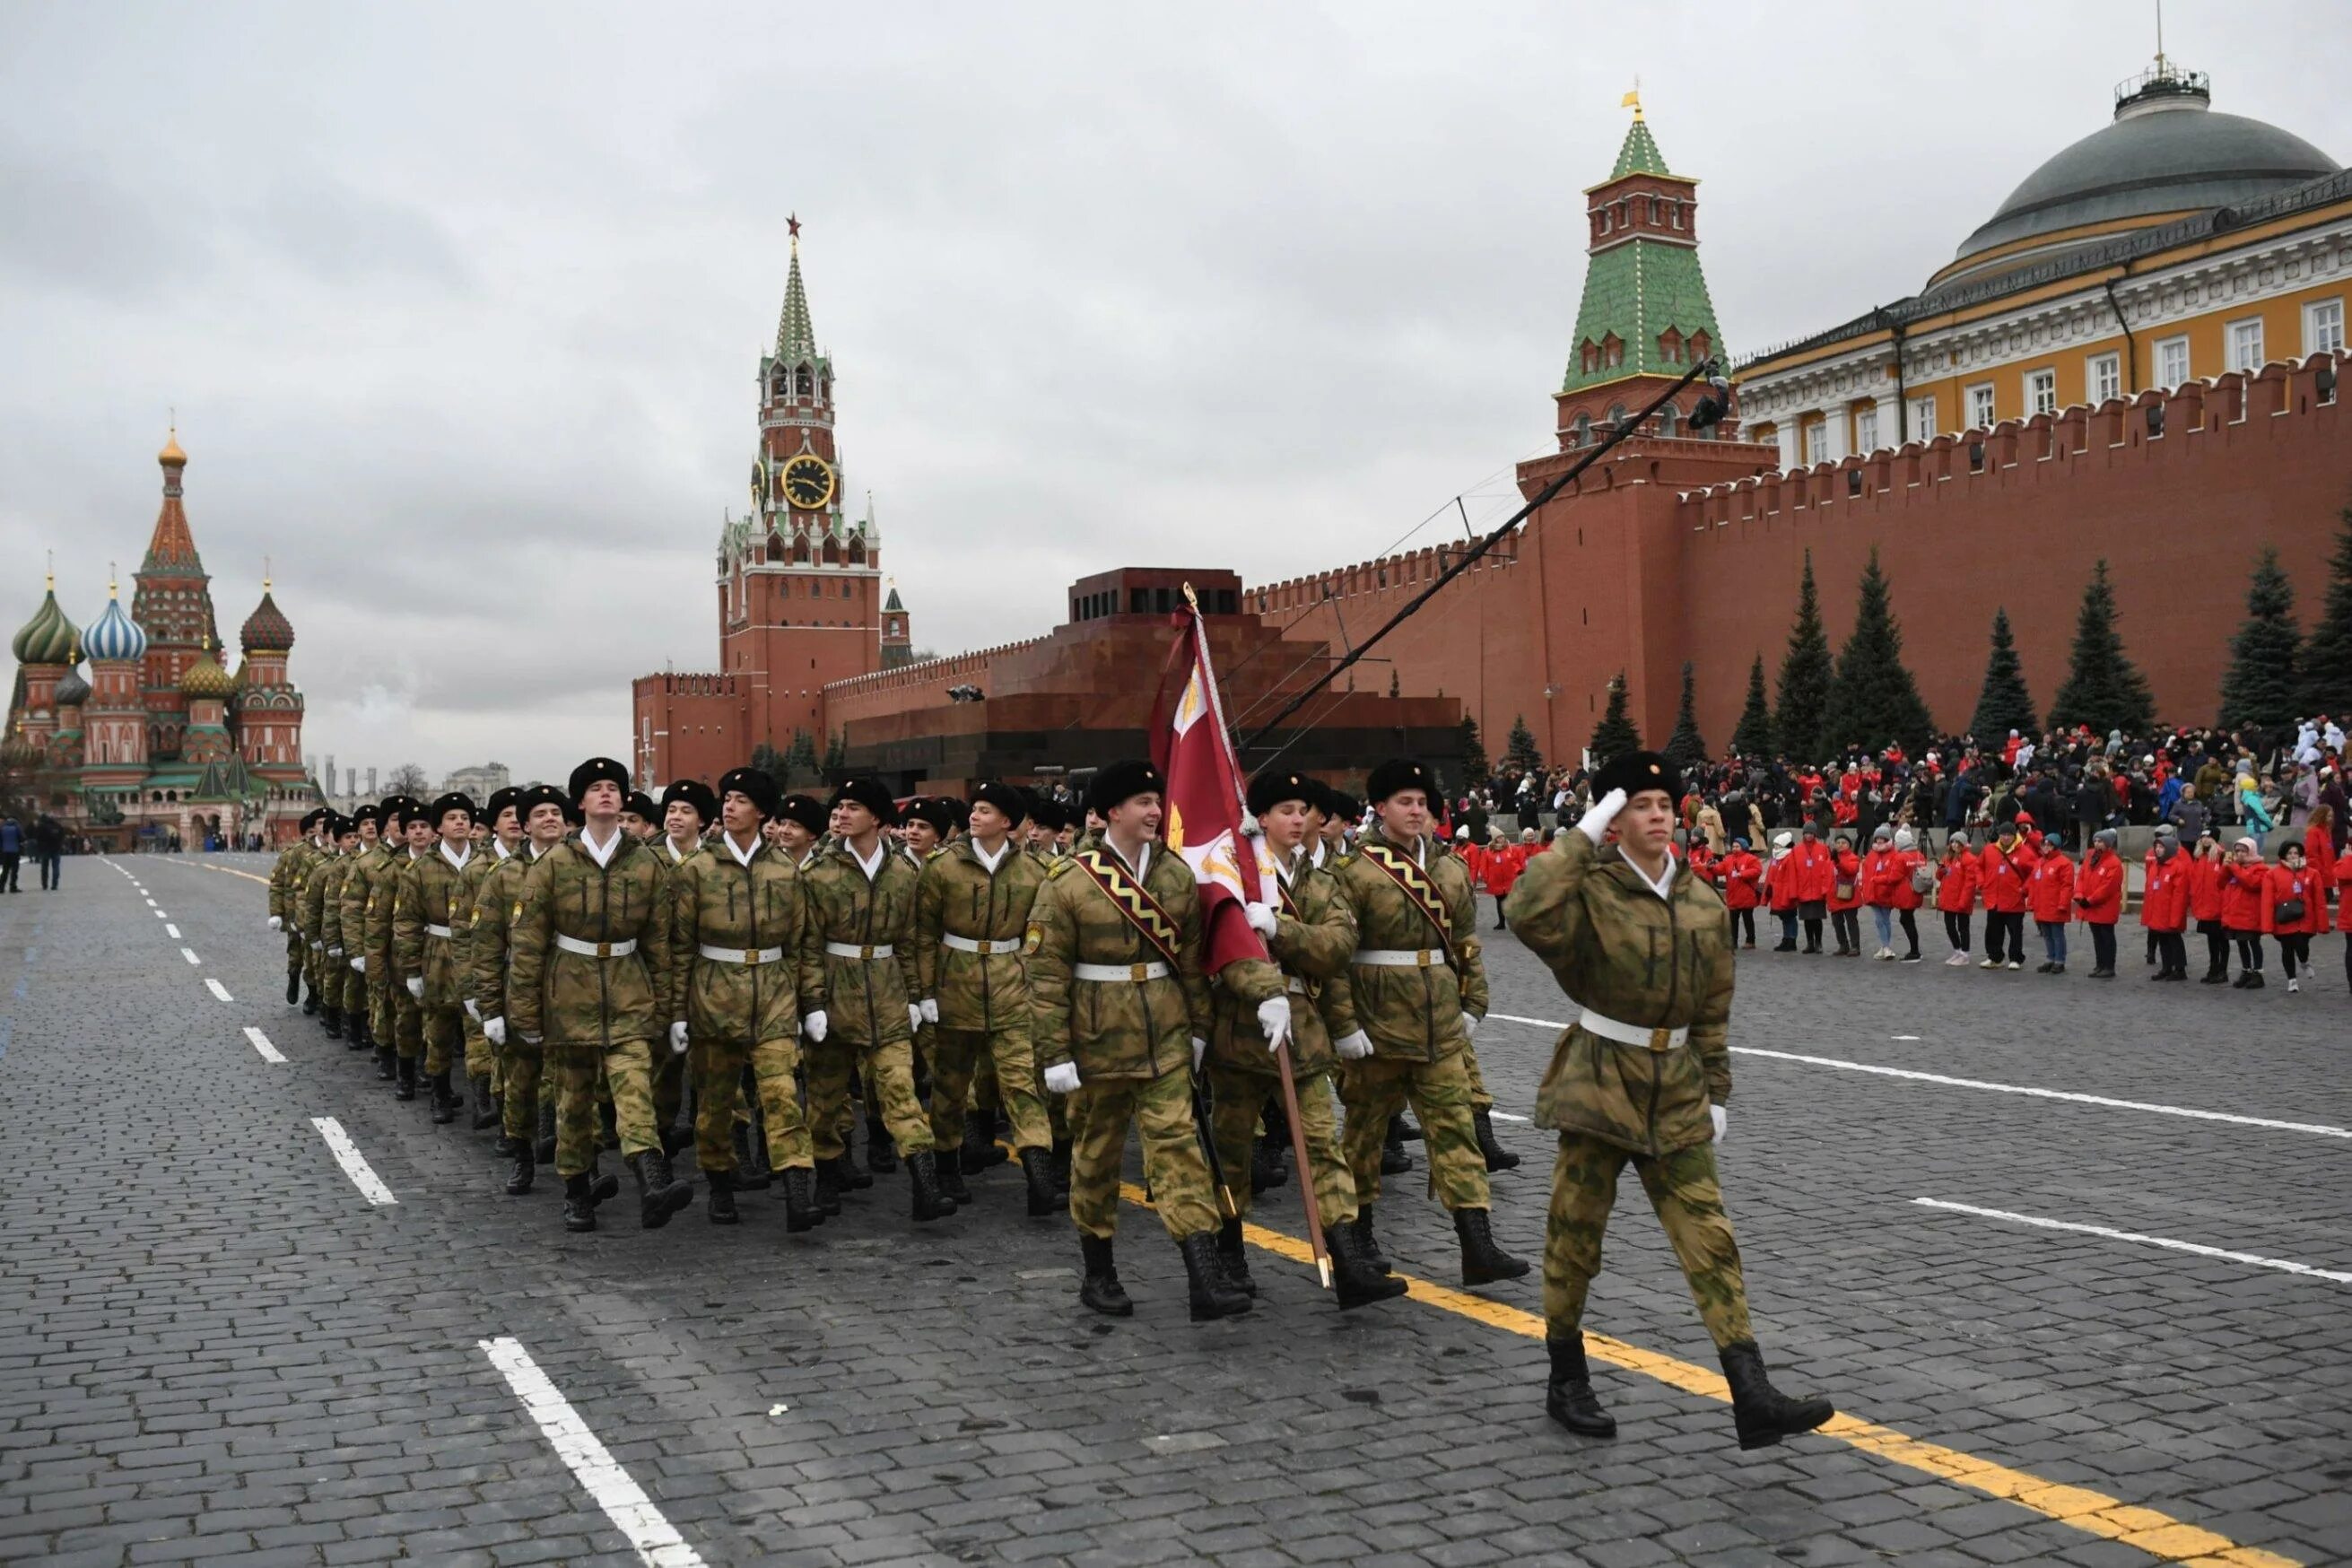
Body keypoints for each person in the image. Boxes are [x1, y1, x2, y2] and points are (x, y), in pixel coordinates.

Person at [1506, 750, 1834, 1450]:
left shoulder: (1700, 900)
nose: (1658, 816)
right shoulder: (1589, 888)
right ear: (1614, 819)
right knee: (1574, 1238)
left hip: (1678, 1085)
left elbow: (1714, 1006)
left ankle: (1751, 1392)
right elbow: (1525, 908)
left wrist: (1716, 1089)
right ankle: (1566, 1377)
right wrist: (1581, 835)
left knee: (1709, 1239)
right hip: (1599, 1081)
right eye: (1640, 805)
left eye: (1664, 805)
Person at [1027, 759, 1276, 1320]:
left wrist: (1196, 1029)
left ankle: (1204, 1280)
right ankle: (1098, 1274)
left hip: (1164, 1036)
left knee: (1180, 1155)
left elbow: (1190, 962)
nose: (1155, 812)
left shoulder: (1174, 876)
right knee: (1096, 1159)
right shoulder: (1068, 881)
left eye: (1157, 802)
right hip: (1096, 1044)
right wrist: (1055, 1054)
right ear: (1111, 812)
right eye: (1142, 803)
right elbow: (1044, 977)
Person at [1204, 768, 1405, 1311]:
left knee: (1321, 1146)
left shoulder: (1318, 881)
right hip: (1242, 1032)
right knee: (1232, 1151)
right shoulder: (1235, 874)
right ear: (1261, 818)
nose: (1298, 820)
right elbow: (1221, 948)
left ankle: (1347, 1262)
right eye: (1285, 811)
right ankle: (1228, 1254)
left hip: (1305, 1031)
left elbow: (1337, 948)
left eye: (1303, 811)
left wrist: (1280, 928)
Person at [1326, 759, 1527, 1287]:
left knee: (1456, 1131)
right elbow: (1338, 959)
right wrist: (1345, 1027)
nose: (1416, 811)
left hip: (1440, 1023)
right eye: (1404, 802)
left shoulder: (1451, 869)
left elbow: (1465, 944)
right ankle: (1360, 1240)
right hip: (1377, 1022)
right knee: (1364, 1139)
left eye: (1422, 802)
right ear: (1380, 809)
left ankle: (1477, 1246)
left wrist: (1473, 1003)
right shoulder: (1352, 872)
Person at [508, 757, 694, 1233]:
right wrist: (525, 1014)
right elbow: (528, 944)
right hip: (569, 992)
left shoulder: (646, 862)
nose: (607, 794)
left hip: (630, 989)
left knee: (635, 1090)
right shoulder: (553, 864)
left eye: (614, 787)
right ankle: (576, 1192)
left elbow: (660, 943)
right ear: (582, 802)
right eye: (596, 788)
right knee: (574, 1100)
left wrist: (671, 1011)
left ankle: (653, 1183)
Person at [669, 766, 820, 1229]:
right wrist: (677, 1011)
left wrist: (808, 1003)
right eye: (727, 798)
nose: (729, 807)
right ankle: (719, 1183)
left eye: (739, 799)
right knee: (716, 1103)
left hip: (773, 994)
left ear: (760, 811)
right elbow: (678, 946)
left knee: (781, 1096)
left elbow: (801, 945)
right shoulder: (698, 868)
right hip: (714, 995)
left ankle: (798, 1191)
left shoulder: (785, 870)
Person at [797, 775, 952, 1220]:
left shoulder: (904, 873)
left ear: (878, 819)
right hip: (834, 990)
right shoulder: (818, 872)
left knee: (901, 1091)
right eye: (839, 806)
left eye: (853, 807)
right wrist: (812, 1004)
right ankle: (827, 1178)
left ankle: (925, 1187)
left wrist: (916, 996)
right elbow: (807, 945)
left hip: (886, 993)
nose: (842, 814)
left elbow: (909, 940)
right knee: (825, 1098)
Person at [913, 779, 1059, 1216]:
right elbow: (922, 934)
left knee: (1021, 1083)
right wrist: (924, 992)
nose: (974, 817)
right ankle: (946, 1167)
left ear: (1007, 822)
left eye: (984, 810)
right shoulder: (942, 867)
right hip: (954, 987)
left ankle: (1039, 1174)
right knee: (951, 1086)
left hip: (1012, 987)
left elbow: (1044, 936)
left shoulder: (1035, 872)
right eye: (973, 809)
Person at [468, 783, 574, 1196]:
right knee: (520, 1081)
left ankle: (573, 1164)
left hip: (571, 987)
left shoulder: (580, 869)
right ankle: (521, 1154)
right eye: (540, 814)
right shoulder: (503, 876)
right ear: (525, 826)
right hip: (520, 988)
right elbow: (487, 943)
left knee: (571, 1080)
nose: (550, 820)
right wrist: (490, 1007)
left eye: (556, 813)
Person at [393, 793, 481, 1124]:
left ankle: (484, 1099)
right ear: (440, 828)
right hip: (438, 955)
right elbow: (407, 923)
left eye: (464, 817)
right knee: (440, 1028)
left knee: (478, 1027)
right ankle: (440, 1092)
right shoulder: (420, 869)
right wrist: (412, 970)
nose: (460, 822)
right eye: (452, 818)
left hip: (475, 953)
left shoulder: (484, 864)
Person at [2266, 841, 2327, 994]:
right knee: (2287, 949)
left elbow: (2319, 900)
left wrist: (2323, 924)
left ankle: (2304, 961)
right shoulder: (2272, 874)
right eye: (2289, 853)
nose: (2293, 856)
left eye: (2296, 853)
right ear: (2284, 855)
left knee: (2302, 946)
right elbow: (2267, 901)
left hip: (2305, 918)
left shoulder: (2312, 873)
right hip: (2284, 917)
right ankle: (2291, 979)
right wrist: (2267, 925)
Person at [1978, 820, 2034, 971]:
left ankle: (2016, 958)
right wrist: (1982, 883)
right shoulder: (1989, 850)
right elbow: (1979, 867)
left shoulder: (2025, 852)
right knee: (1993, 930)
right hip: (1994, 898)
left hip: (2014, 899)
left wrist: (2024, 889)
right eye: (2003, 834)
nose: (2006, 838)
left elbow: (2034, 873)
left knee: (2015, 931)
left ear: (2014, 835)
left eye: (2009, 835)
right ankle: (1994, 957)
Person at [2140, 827, 2192, 981]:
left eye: (2161, 847)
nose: (2157, 850)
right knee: (2163, 940)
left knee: (2174, 940)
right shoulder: (2156, 866)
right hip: (2159, 911)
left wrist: (2175, 918)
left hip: (2170, 912)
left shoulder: (2178, 867)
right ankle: (2166, 967)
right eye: (2156, 847)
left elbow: (2180, 896)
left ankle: (2180, 968)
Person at [2221, 837, 2269, 989]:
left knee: (2254, 943)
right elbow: (2220, 883)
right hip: (2236, 914)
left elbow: (2251, 883)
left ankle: (2258, 972)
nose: (2240, 854)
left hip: (2250, 914)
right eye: (2238, 851)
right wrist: (2225, 867)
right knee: (2241, 943)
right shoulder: (2236, 867)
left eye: (2243, 851)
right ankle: (2246, 970)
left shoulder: (2261, 868)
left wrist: (2235, 867)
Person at [2075, 829, 2124, 978]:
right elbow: (2081, 877)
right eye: (2095, 841)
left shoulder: (2114, 863)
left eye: (2100, 841)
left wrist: (2090, 900)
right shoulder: (2090, 858)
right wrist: (2079, 895)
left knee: (2106, 936)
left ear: (2108, 844)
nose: (2097, 843)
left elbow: (2107, 887)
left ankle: (2109, 966)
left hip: (2104, 906)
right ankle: (2100, 964)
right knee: (2097, 937)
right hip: (2090, 905)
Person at [2190, 832, 2232, 983]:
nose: (2205, 839)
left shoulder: (2222, 856)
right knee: (2211, 940)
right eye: (2202, 836)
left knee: (2221, 940)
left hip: (2219, 906)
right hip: (2204, 906)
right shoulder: (2199, 856)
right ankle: (2213, 968)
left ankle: (2222, 970)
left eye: (2208, 836)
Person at [1934, 830, 1978, 965]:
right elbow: (1939, 876)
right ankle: (1957, 950)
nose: (1954, 845)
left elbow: (1970, 883)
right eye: (1952, 842)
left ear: (1963, 844)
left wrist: (1963, 901)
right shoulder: (1948, 857)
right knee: (1949, 926)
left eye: (1957, 842)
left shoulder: (1969, 859)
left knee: (1963, 927)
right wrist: (1940, 872)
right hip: (1949, 898)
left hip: (1961, 898)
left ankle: (1965, 954)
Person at [1717, 838, 1761, 948]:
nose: (1735, 848)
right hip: (1733, 895)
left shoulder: (1751, 859)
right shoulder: (1728, 859)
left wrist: (1743, 874)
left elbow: (1757, 871)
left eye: (1737, 846)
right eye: (1733, 846)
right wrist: (1711, 867)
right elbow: (1720, 869)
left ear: (1743, 847)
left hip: (1746, 895)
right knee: (1733, 921)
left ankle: (1750, 941)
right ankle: (1733, 941)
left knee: (1748, 919)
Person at [1825, 832, 1863, 958]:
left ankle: (1855, 946)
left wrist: (1838, 862)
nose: (1840, 845)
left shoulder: (1853, 857)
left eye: (1843, 843)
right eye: (1838, 843)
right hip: (1835, 895)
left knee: (1851, 921)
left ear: (1849, 845)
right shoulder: (1830, 859)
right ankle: (1843, 945)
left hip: (1848, 895)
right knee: (1837, 922)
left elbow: (1851, 870)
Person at [31, 813, 63, 892]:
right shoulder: (58, 826)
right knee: (56, 867)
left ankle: (44, 884)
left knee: (44, 868)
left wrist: (39, 847)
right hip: (56, 849)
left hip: (45, 849)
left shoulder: (41, 827)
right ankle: (54, 885)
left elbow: (37, 837)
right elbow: (62, 836)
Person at [0, 815, 20, 893]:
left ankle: (1, 887)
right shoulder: (16, 828)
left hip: (5, 851)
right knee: (14, 870)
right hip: (14, 851)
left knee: (5, 870)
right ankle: (13, 886)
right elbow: (22, 837)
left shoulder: (2, 828)